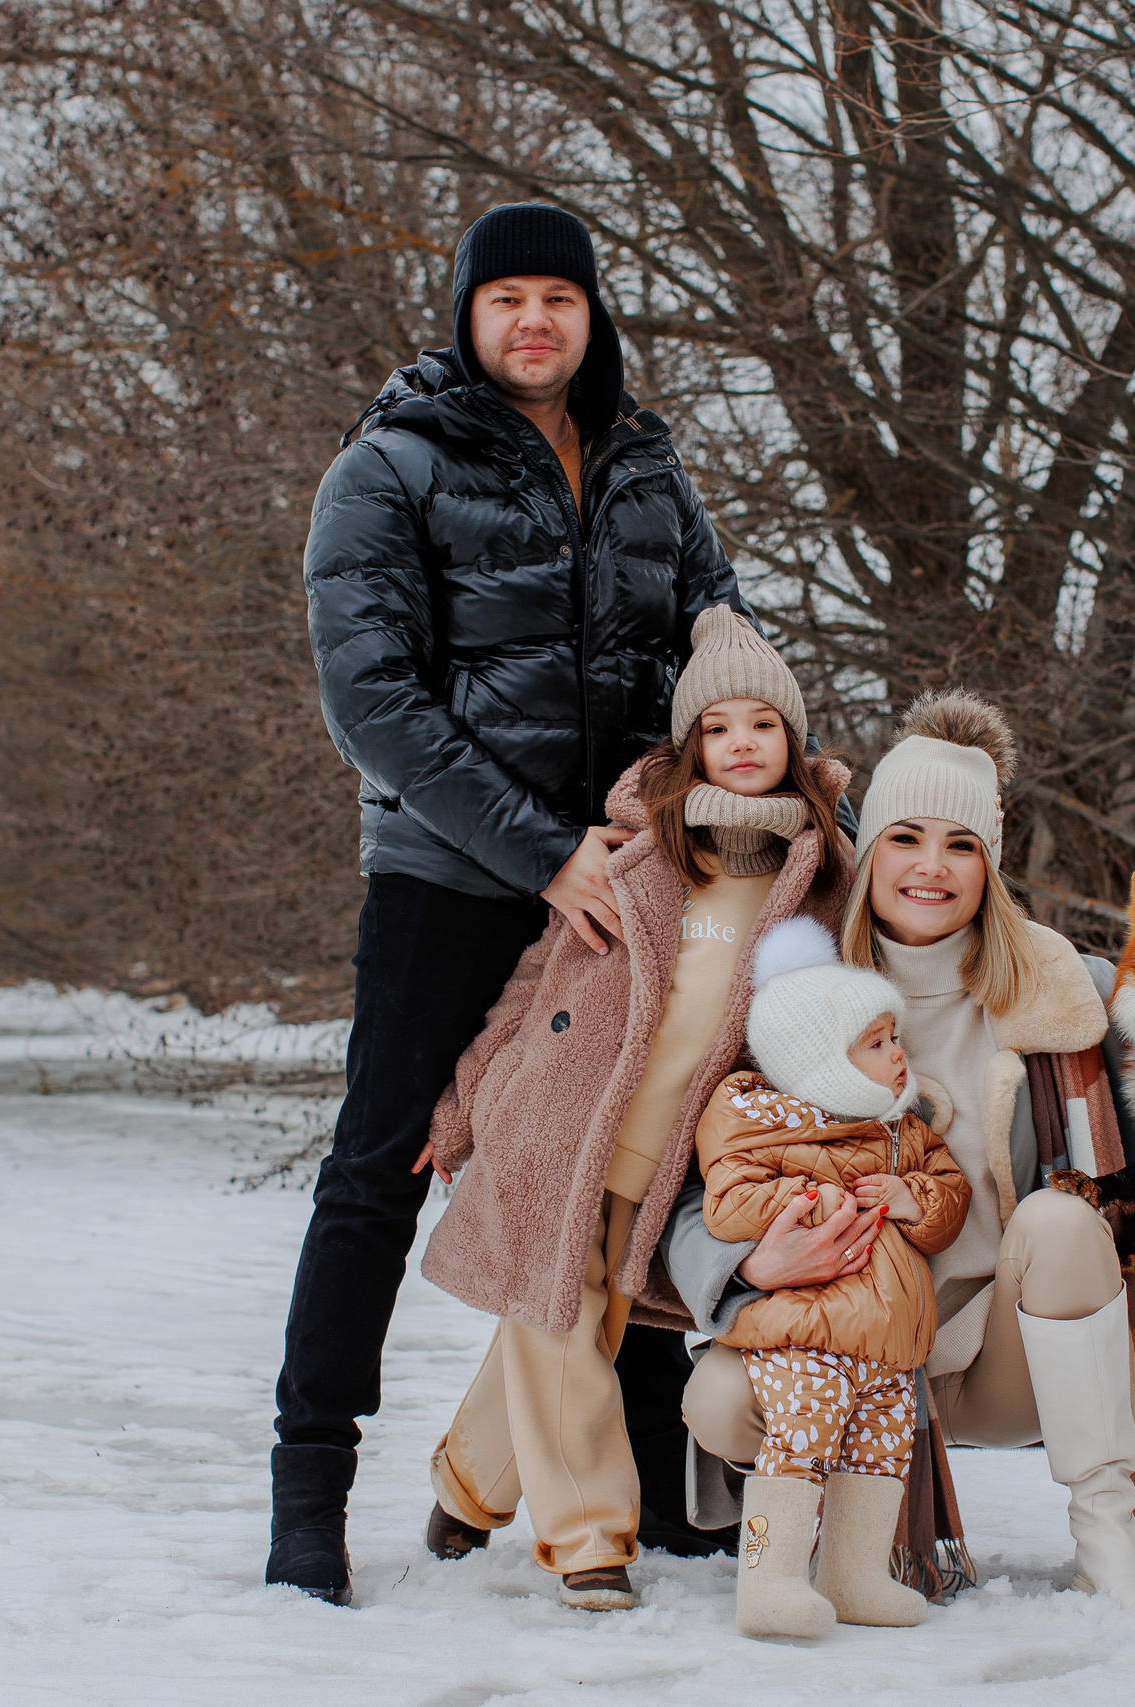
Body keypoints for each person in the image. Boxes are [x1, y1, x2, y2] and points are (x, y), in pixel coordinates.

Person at [275, 202, 750, 1604]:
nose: (534, 321)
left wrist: (711, 804)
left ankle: (653, 1477)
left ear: (591, 317)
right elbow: (374, 701)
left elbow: (721, 648)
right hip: (451, 876)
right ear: (467, 316)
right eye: (507, 300)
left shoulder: (648, 470)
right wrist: (546, 851)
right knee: (378, 1168)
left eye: (559, 298)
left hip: (632, 880)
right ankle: (310, 1494)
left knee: (641, 1157)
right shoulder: (388, 467)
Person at [668, 690, 1135, 1608]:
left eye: (962, 845)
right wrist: (748, 1261)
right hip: (845, 1339)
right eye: (906, 837)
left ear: (989, 865)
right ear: (869, 851)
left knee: (1063, 1218)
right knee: (717, 1398)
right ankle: (841, 1531)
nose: (931, 866)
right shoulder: (803, 994)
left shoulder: (1056, 983)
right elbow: (701, 1176)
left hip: (1012, 1350)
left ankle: (1109, 1538)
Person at [411, 609, 855, 1611]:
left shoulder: (821, 879)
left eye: (763, 725)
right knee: (561, 1329)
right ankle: (589, 1541)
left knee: (569, 1324)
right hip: (557, 1127)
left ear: (792, 741)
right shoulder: (631, 854)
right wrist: (462, 1108)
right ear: (690, 745)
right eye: (718, 727)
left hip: (672, 1161)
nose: (742, 744)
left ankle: (465, 1487)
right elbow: (533, 986)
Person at [694, 917, 971, 1639]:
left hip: (887, 1340)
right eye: (876, 1044)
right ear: (822, 1060)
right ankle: (767, 1579)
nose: (899, 1054)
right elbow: (727, 1203)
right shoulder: (757, 1116)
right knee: (800, 1443)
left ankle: (852, 1576)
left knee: (880, 1449)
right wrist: (813, 1200)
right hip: (806, 1333)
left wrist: (914, 1196)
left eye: (894, 1037)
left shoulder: (902, 1130)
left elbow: (951, 1195)